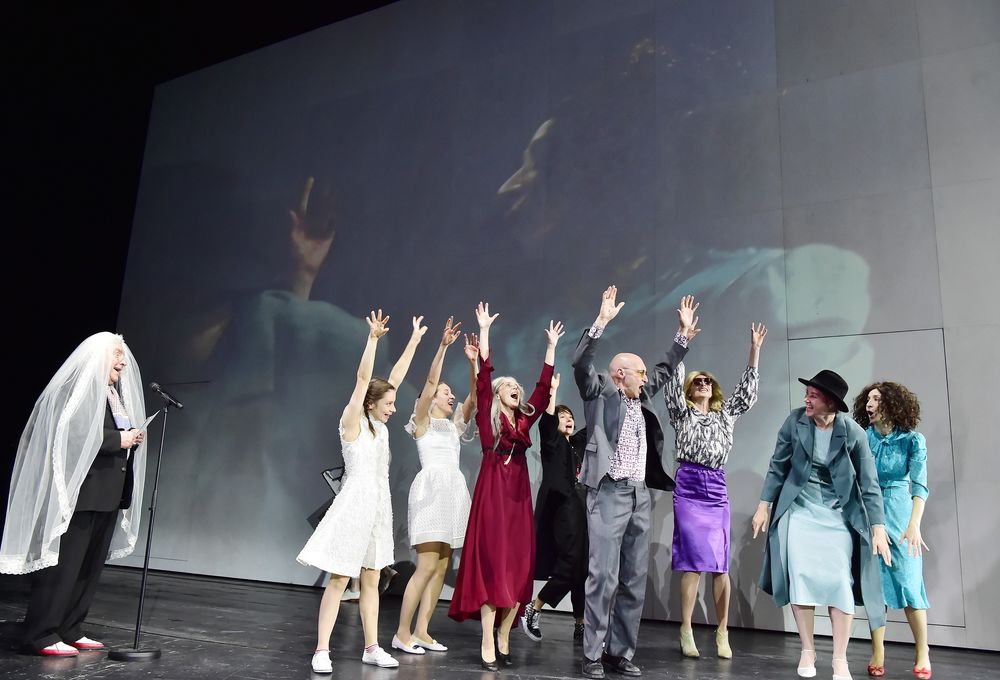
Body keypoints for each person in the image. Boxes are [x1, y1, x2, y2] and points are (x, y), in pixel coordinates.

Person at [1, 332, 149, 656]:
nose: (123, 361)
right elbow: (70, 434)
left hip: (108, 493)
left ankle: (70, 628)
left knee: (88, 569)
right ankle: (41, 633)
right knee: (64, 567)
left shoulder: (112, 395)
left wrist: (130, 437)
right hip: (81, 494)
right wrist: (118, 440)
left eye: (123, 355)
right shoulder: (78, 390)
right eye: (116, 354)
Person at [572, 285, 692, 679]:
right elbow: (580, 363)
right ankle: (592, 654)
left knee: (634, 578)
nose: (645, 377)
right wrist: (601, 322)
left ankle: (618, 651)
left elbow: (663, 370)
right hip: (609, 491)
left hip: (639, 495)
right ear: (620, 374)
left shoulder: (641, 397)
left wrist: (682, 336)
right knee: (603, 576)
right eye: (638, 372)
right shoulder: (601, 392)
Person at [296, 311, 426, 673]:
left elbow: (394, 378)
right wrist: (372, 340)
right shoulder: (352, 422)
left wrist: (414, 341)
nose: (394, 409)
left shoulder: (380, 427)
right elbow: (363, 379)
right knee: (340, 578)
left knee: (371, 578)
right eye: (389, 404)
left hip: (378, 509)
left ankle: (372, 647)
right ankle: (322, 650)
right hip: (354, 507)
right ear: (371, 403)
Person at [752, 370, 892, 680]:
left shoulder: (852, 432)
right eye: (807, 394)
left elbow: (869, 484)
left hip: (837, 513)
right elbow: (778, 466)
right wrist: (764, 505)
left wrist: (878, 527)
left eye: (813, 396)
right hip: (800, 509)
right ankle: (808, 649)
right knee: (801, 576)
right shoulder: (795, 422)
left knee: (840, 581)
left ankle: (840, 658)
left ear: (830, 402)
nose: (806, 400)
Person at [448, 302, 563, 672]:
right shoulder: (488, 417)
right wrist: (484, 332)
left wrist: (551, 348)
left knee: (518, 566)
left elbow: (542, 392)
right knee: (494, 564)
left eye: (518, 387)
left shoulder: (524, 424)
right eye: (509, 386)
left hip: (518, 497)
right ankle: (487, 637)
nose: (516, 389)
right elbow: (484, 377)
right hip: (494, 492)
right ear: (498, 395)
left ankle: (504, 636)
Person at [663, 297, 765, 659]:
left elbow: (747, 395)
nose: (704, 383)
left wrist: (754, 351)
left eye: (708, 380)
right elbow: (671, 380)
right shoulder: (681, 413)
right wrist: (682, 334)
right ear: (691, 388)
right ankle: (686, 629)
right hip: (689, 486)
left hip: (716, 487)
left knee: (720, 563)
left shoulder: (725, 415)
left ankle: (722, 631)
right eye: (698, 381)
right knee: (693, 560)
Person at [392, 318, 478, 655]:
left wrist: (472, 363)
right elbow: (429, 382)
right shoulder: (422, 422)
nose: (451, 395)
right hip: (430, 492)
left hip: (453, 494)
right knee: (426, 565)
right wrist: (443, 347)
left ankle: (422, 632)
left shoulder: (454, 426)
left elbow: (474, 397)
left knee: (442, 566)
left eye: (450, 393)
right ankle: (402, 633)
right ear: (431, 400)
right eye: (446, 392)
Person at [852, 382, 931, 679]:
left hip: (900, 512)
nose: (869, 404)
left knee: (910, 584)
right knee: (875, 587)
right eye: (868, 399)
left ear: (892, 405)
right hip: (869, 513)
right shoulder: (863, 438)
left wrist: (914, 525)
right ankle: (878, 650)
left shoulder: (912, 440)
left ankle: (922, 650)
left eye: (876, 399)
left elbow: (920, 486)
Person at [520, 372, 588, 644]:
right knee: (571, 562)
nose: (568, 419)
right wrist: (552, 393)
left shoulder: (576, 444)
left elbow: (595, 424)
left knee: (582, 567)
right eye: (563, 416)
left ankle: (581, 623)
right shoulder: (552, 442)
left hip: (580, 507)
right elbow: (547, 421)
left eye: (570, 416)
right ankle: (534, 606)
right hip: (561, 506)